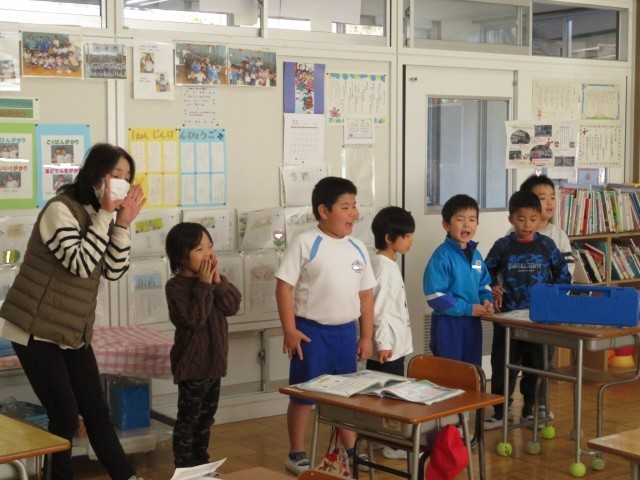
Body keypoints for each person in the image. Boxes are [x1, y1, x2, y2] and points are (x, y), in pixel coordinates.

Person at [0, 143, 147, 480]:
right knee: (64, 414)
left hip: (72, 330)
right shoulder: (60, 209)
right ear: (95, 174)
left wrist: (123, 223)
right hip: (34, 328)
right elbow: (80, 264)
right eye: (115, 174)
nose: (122, 182)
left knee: (96, 410)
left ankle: (127, 477)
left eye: (127, 177)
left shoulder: (102, 215)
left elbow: (113, 270)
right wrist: (107, 216)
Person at [275, 176, 376, 475]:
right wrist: (289, 330)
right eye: (345, 207)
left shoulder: (358, 248)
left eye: (354, 206)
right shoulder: (306, 242)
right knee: (303, 396)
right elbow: (283, 288)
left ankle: (350, 451)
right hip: (311, 334)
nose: (353, 213)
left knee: (346, 396)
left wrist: (366, 335)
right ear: (324, 211)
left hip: (345, 334)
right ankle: (296, 452)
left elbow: (366, 295)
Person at [483, 191, 571, 431]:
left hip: (538, 320)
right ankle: (500, 412)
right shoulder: (502, 245)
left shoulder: (546, 245)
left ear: (539, 219)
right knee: (503, 366)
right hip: (507, 319)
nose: (527, 225)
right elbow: (483, 271)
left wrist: (554, 300)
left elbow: (563, 274)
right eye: (521, 219)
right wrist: (492, 287)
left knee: (538, 366)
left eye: (533, 219)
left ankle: (531, 410)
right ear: (511, 219)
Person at [165, 222, 242, 468]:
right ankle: (185, 467)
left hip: (214, 363)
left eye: (210, 246)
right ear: (181, 256)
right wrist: (205, 285)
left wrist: (218, 282)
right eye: (199, 249)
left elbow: (232, 306)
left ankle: (201, 464)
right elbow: (194, 319)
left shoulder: (213, 283)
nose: (208, 254)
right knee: (189, 419)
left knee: (206, 419)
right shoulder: (175, 286)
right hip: (192, 366)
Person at [366, 205, 415, 460]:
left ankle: (376, 436)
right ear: (389, 238)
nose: (410, 241)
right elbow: (380, 310)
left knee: (379, 392)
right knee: (391, 395)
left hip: (391, 343)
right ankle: (392, 443)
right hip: (388, 347)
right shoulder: (384, 267)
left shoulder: (385, 263)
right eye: (406, 236)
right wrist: (384, 343)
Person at [423, 194, 494, 367]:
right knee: (450, 372)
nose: (467, 224)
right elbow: (435, 296)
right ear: (446, 225)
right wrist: (468, 308)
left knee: (472, 370)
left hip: (473, 322)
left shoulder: (476, 256)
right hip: (448, 324)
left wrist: (486, 300)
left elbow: (484, 285)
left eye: (472, 219)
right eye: (460, 219)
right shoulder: (441, 257)